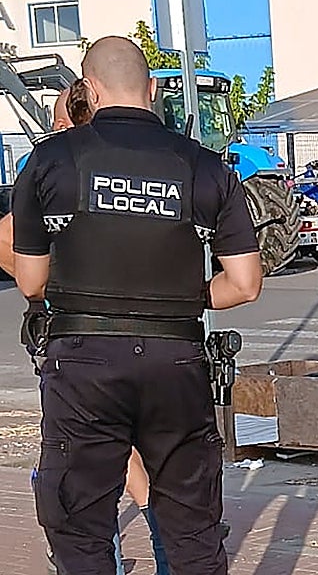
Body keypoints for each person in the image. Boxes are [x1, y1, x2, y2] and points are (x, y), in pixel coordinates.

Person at [12, 36, 263, 575]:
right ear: (151, 88)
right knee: (192, 531)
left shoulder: (51, 160)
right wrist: (181, 299)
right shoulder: (205, 166)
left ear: (88, 88)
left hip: (83, 363)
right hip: (177, 361)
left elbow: (31, 281)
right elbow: (245, 284)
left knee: (80, 530)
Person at [0, 81, 172, 575]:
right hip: (135, 341)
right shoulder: (130, 164)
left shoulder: (60, 165)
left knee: (88, 464)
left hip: (83, 346)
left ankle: (110, 554)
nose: (53, 131)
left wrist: (49, 286)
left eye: (58, 122)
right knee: (120, 455)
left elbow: (8, 240)